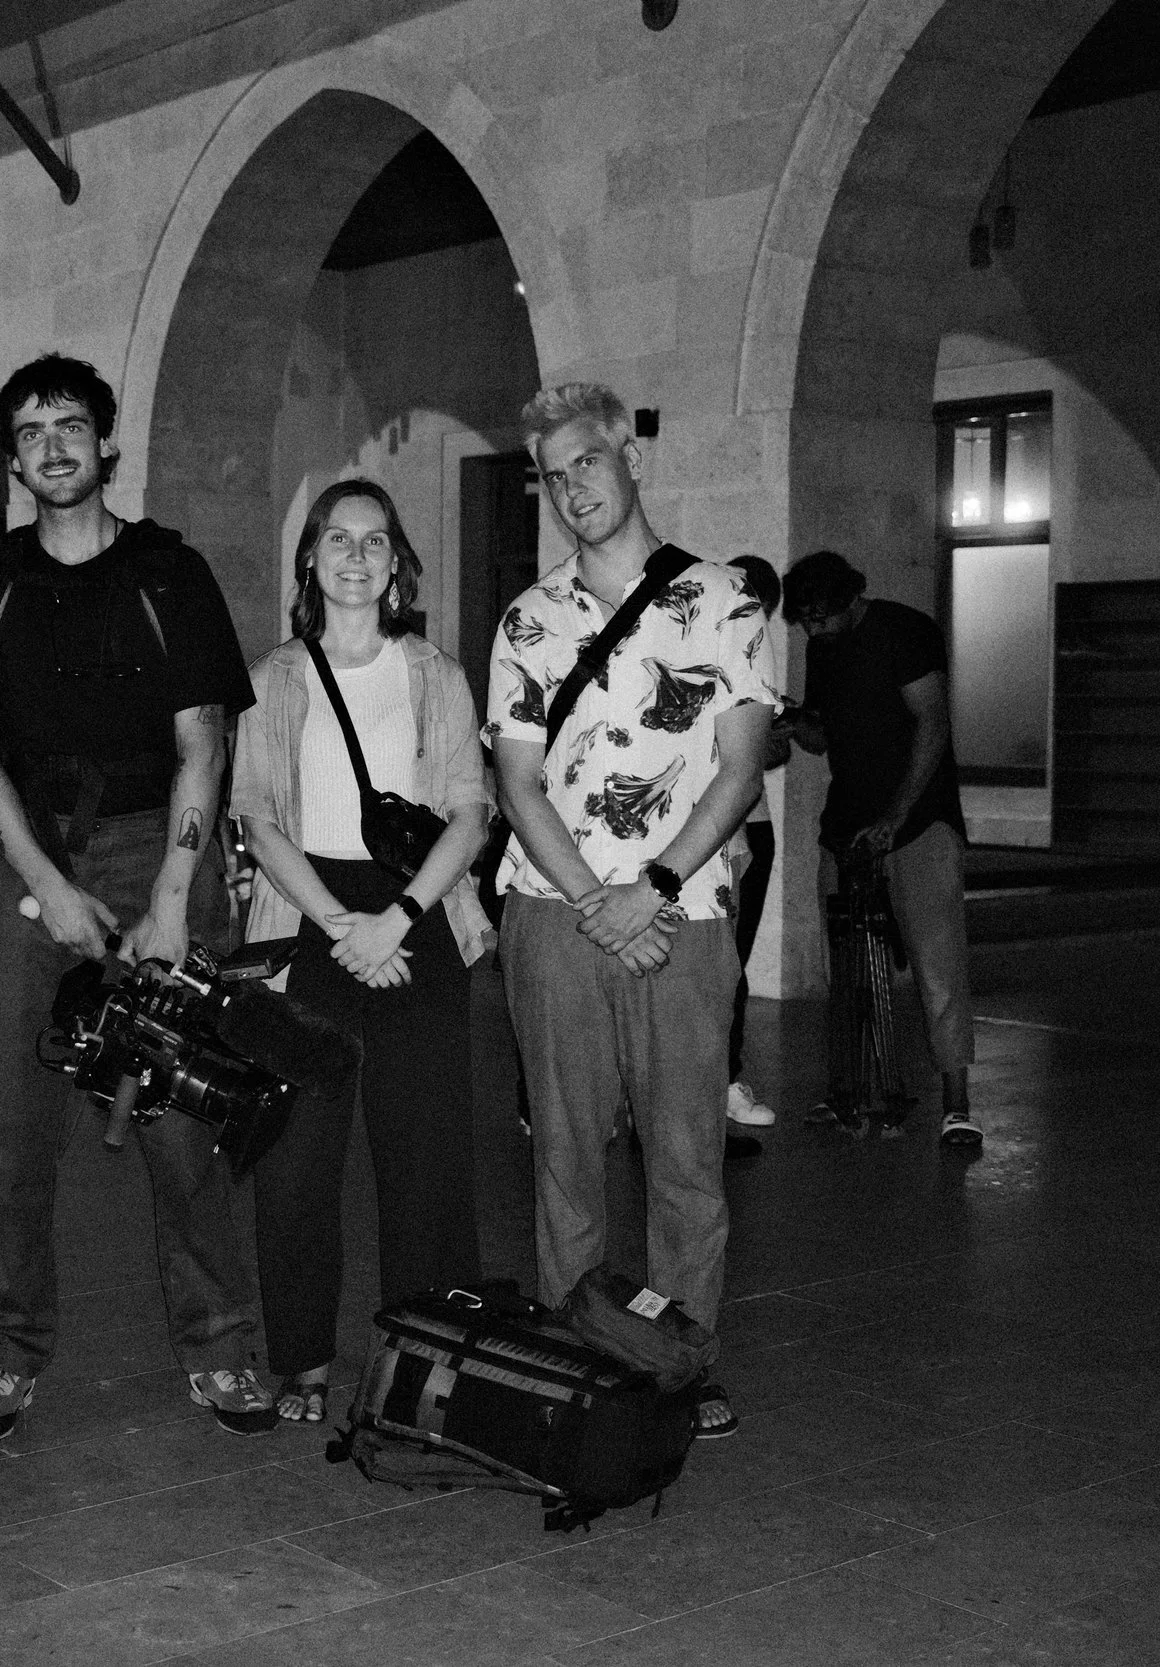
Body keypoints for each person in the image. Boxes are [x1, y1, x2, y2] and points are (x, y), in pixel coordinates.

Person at [0, 353, 277, 1440]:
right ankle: (5, 1348)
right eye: (30, 433)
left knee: (182, 1124)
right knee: (17, 1130)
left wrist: (174, 896)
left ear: (106, 442)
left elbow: (202, 743)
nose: (53, 446)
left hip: (154, 849)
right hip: (32, 858)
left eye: (71, 425)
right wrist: (42, 886)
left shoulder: (168, 573)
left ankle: (221, 1344)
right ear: (13, 459)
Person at [485, 383, 776, 1440]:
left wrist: (645, 888)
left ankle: (683, 1359)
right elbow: (517, 783)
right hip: (554, 916)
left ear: (627, 458)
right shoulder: (528, 618)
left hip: (680, 914)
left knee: (686, 1159)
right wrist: (594, 899)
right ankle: (583, 1354)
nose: (573, 489)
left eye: (587, 463)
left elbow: (739, 770)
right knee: (563, 1154)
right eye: (554, 475)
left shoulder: (724, 600)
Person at [230, 479, 493, 1424]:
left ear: (396, 563)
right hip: (305, 915)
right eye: (336, 539)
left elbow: (470, 810)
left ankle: (431, 1361)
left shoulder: (438, 675)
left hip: (415, 915)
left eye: (374, 542)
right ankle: (303, 1358)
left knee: (426, 1157)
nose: (354, 556)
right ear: (310, 557)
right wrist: (342, 926)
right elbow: (257, 819)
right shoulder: (270, 676)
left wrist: (399, 917)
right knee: (298, 1154)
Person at [781, 549, 980, 1147]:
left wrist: (896, 817)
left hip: (919, 822)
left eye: (821, 617)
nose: (812, 630)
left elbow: (932, 724)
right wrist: (791, 721)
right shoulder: (823, 646)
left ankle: (957, 1103)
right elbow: (823, 735)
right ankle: (849, 1092)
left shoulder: (906, 630)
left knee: (937, 965)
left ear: (851, 601)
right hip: (846, 824)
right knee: (845, 970)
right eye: (805, 620)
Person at [724, 556, 791, 1134]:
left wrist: (770, 738)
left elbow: (775, 750)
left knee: (732, 963)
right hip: (700, 824)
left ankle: (725, 1079)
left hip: (752, 824)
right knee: (696, 960)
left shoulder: (754, 650)